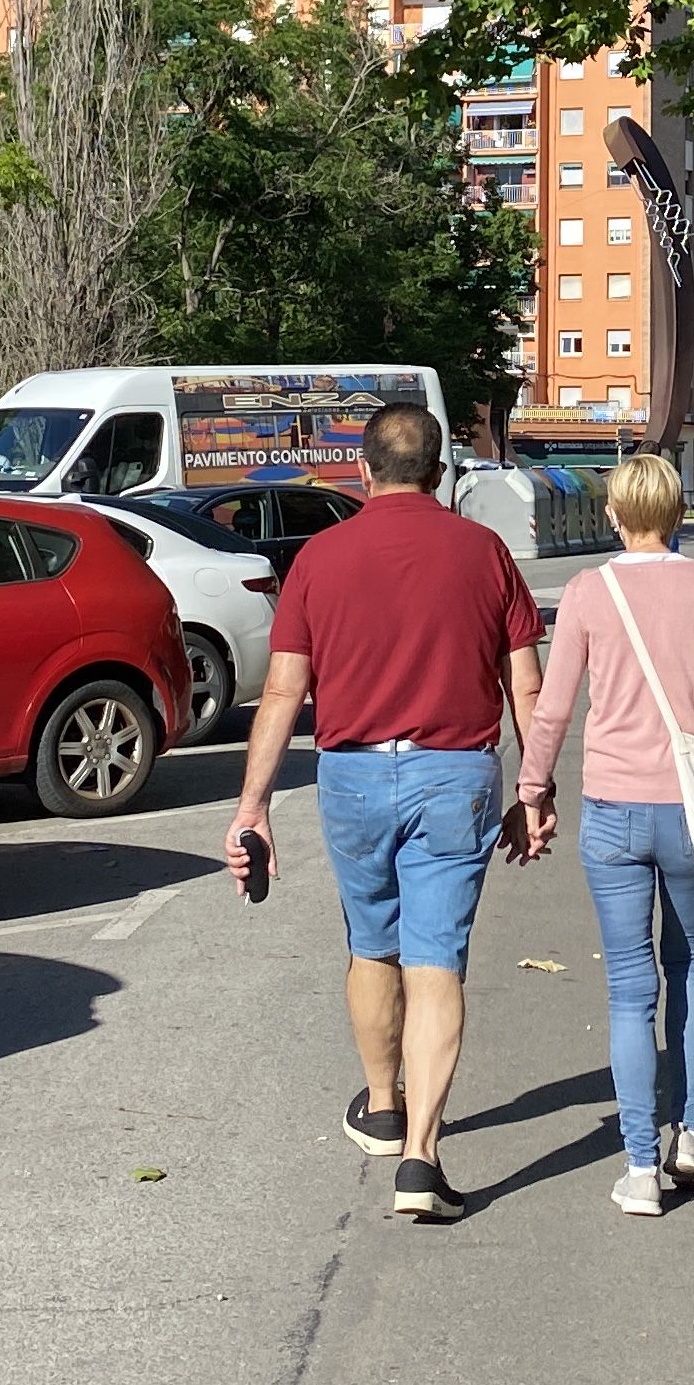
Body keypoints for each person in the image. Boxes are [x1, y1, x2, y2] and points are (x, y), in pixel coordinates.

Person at [226, 403, 545, 1223]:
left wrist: (252, 807)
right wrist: (533, 792)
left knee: (372, 942)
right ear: (440, 474)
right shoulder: (486, 554)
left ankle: (380, 1104)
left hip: (353, 777)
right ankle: (421, 1161)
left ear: (360, 471)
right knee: (436, 957)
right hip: (455, 776)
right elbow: (526, 686)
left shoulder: (320, 559)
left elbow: (284, 690)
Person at [524, 454, 694, 1216]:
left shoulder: (586, 593)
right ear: (678, 518)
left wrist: (532, 788)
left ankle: (640, 1167)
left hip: (612, 807)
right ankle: (693, 1132)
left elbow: (552, 708)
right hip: (692, 813)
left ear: (612, 515)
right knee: (693, 964)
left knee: (628, 991)